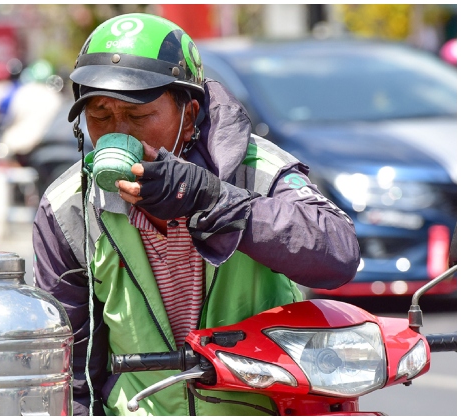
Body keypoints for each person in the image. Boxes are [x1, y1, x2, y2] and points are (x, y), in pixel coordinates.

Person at [32, 13, 360, 416]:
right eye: (100, 117)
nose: (119, 133)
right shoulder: (68, 205)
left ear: (189, 116)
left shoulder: (259, 171)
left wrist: (212, 198)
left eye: (138, 116)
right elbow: (66, 360)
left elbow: (338, 254)